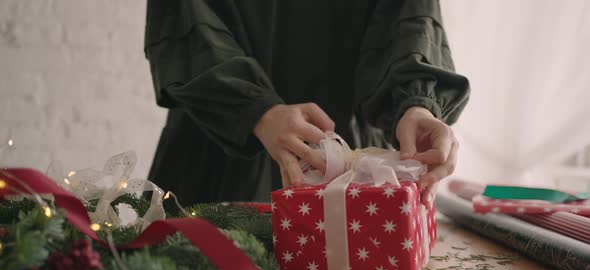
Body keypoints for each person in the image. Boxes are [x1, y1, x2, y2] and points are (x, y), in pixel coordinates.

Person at [144, 0, 469, 208]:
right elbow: (183, 15)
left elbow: (410, 17)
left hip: (352, 176)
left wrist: (417, 106)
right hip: (220, 161)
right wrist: (256, 109)